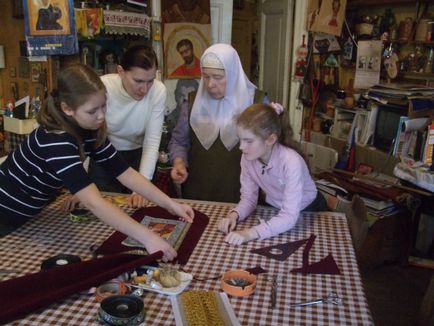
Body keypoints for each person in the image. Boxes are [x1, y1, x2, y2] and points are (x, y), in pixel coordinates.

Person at [0, 64, 194, 261]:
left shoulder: (87, 128)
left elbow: (126, 173)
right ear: (67, 108)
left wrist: (171, 205)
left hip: (30, 212)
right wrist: (148, 238)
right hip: (5, 213)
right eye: (93, 111)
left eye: (104, 105)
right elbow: (94, 202)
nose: (101, 116)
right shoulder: (55, 140)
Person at [168, 43, 271, 203]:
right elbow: (179, 141)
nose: (210, 84)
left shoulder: (255, 102)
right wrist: (179, 161)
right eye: (206, 76)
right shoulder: (193, 102)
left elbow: (271, 150)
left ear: (233, 74)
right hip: (197, 194)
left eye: (218, 77)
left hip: (243, 196)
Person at [217, 104, 327, 245]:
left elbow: (289, 215)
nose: (241, 147)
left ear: (270, 139)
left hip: (310, 209)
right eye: (240, 139)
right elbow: (249, 199)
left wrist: (249, 233)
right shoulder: (247, 158)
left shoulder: (291, 162)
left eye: (248, 141)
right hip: (277, 208)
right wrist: (234, 215)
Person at [88, 45, 166, 203]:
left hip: (139, 156)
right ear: (121, 71)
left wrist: (143, 185)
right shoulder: (103, 87)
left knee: (137, 208)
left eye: (150, 81)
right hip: (103, 154)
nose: (144, 89)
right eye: (138, 81)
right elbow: (86, 136)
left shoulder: (158, 91)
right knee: (101, 207)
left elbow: (151, 142)